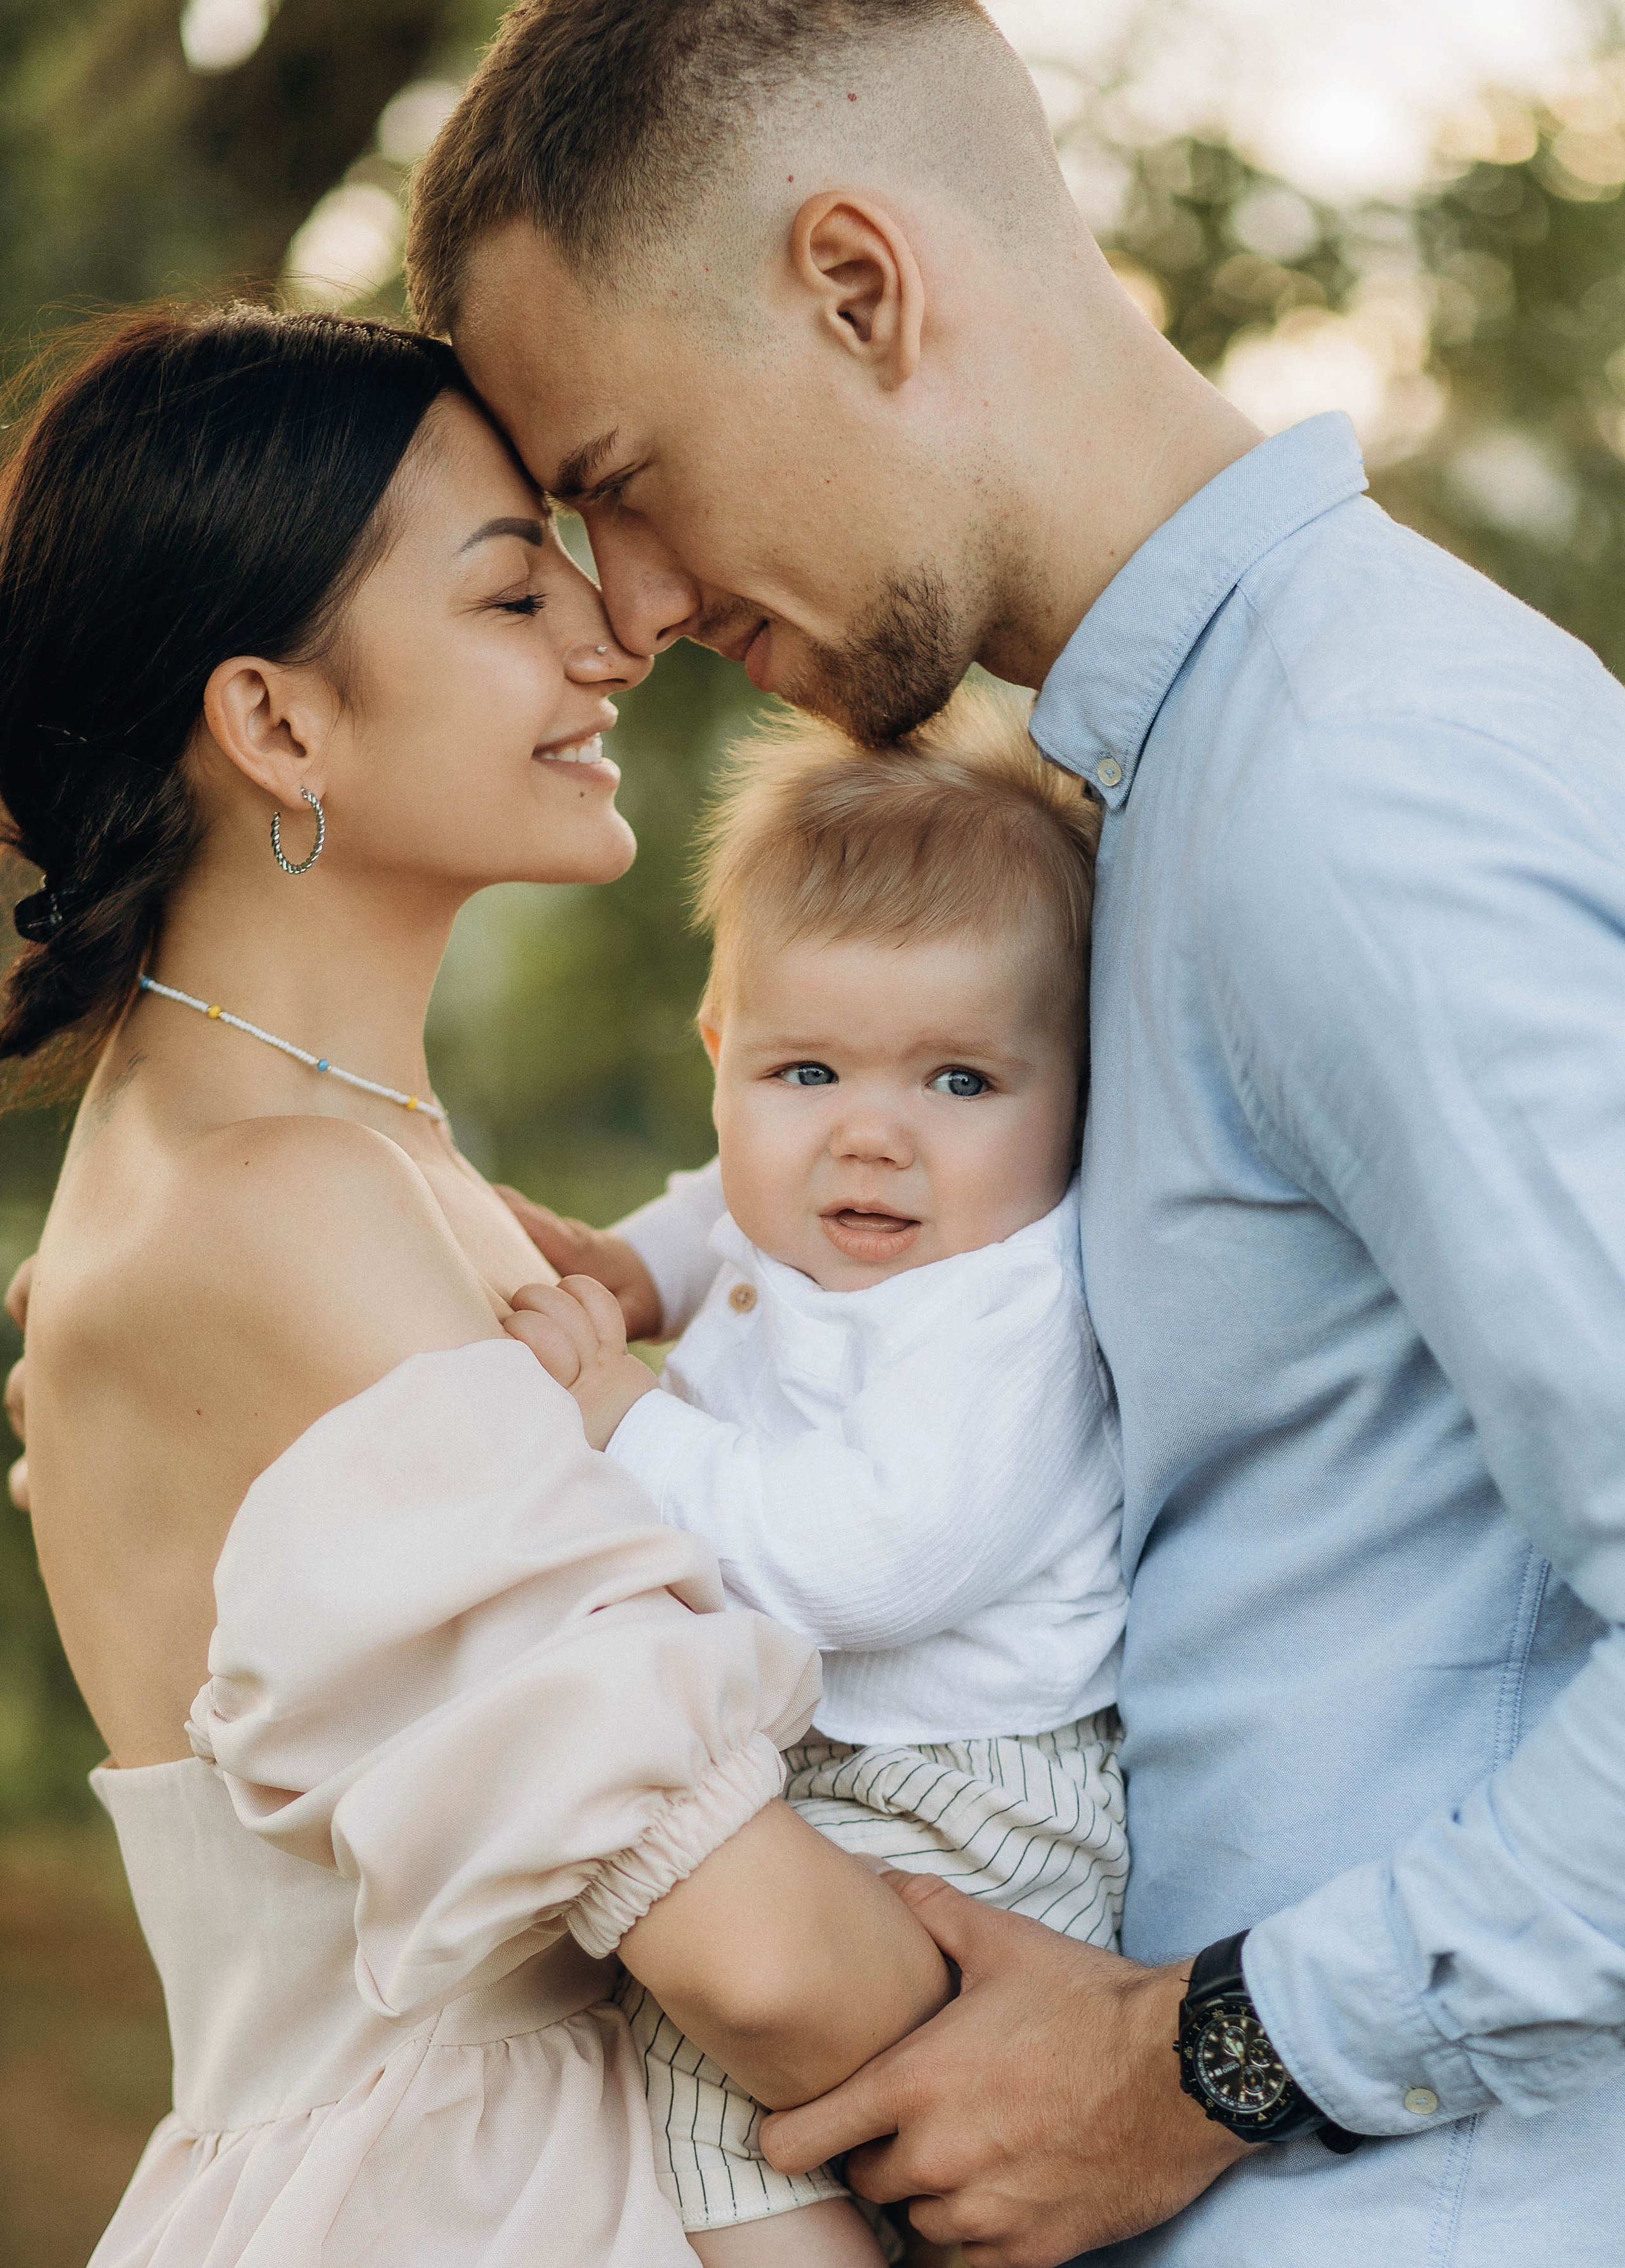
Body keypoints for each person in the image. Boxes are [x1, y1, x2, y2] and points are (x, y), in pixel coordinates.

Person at [397, 1, 1625, 2261]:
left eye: (628, 478)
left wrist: (1209, 2058)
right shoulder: (1148, 811)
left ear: (859, 289)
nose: (635, 608)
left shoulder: (1355, 795)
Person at [0, 303, 950, 2268]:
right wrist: (1177, 2027)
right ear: (277, 720)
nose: (613, 640)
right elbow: (764, 1957)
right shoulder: (283, 1203)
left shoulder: (341, 1165)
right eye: (517, 593)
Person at [503, 690, 1129, 2257]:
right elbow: (716, 1194)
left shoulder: (998, 1310)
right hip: (850, 1758)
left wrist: (621, 1411)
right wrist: (628, 1273)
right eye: (807, 1074)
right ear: (721, 1046)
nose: (871, 1139)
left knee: (711, 2071)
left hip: (971, 1796)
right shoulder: (799, 1184)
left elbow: (865, 1559)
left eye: (959, 1082)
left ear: (1079, 1086)